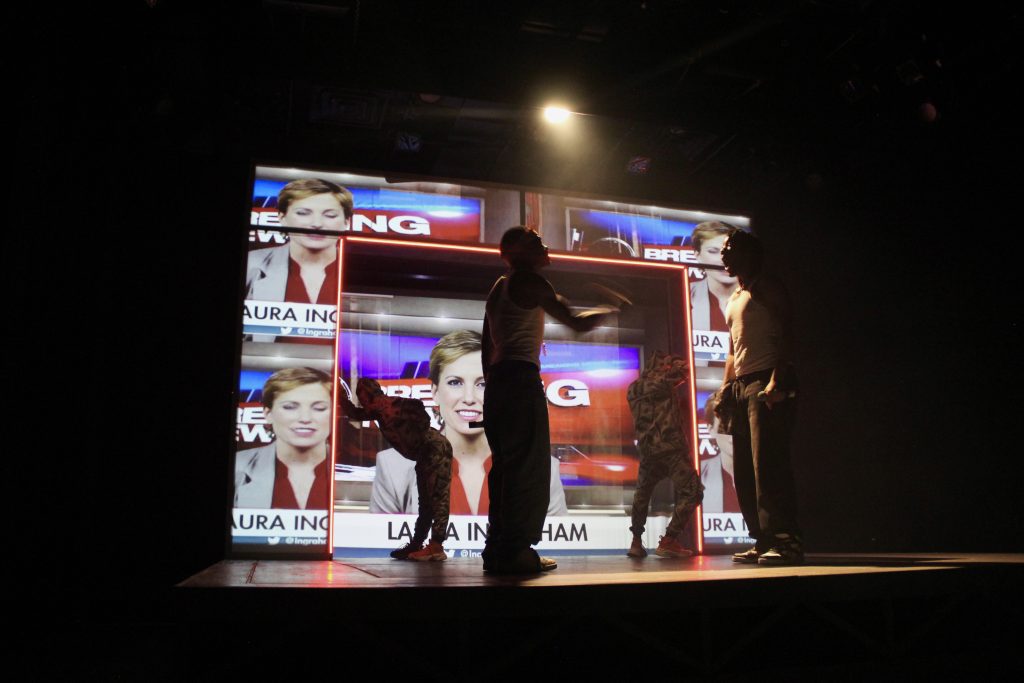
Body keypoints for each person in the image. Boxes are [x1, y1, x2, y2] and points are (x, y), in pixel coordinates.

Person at [481, 226, 621, 575]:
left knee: (506, 470)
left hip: (499, 382)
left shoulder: (499, 289)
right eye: (535, 241)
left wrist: (495, 388)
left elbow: (487, 347)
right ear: (516, 251)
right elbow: (576, 323)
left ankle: (497, 549)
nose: (544, 244)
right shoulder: (530, 281)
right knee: (527, 469)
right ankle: (516, 552)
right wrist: (613, 306)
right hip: (518, 378)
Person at [369, 330, 567, 517]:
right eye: (455, 382)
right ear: (435, 392)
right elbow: (381, 550)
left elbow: (557, 549)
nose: (469, 398)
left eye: (483, 384)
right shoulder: (393, 466)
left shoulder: (542, 469)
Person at [719, 229, 803, 565]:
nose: (723, 255)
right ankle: (762, 538)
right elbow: (731, 349)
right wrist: (726, 389)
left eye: (729, 249)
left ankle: (787, 541)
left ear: (749, 253)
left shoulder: (767, 286)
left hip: (767, 380)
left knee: (768, 465)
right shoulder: (735, 296)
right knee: (743, 468)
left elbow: (788, 331)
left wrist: (776, 380)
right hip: (742, 385)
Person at [340, 378, 454, 561]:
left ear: (369, 396)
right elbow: (354, 413)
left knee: (437, 498)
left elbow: (418, 409)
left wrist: (417, 432)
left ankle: (436, 546)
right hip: (424, 453)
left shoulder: (389, 405)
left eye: (362, 397)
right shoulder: (378, 411)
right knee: (426, 502)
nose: (361, 402)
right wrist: (340, 397)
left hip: (433, 449)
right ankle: (418, 544)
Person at [625, 351, 704, 559]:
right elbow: (685, 370)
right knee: (693, 492)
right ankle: (669, 539)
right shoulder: (662, 382)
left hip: (648, 451)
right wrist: (674, 362)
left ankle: (636, 542)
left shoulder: (633, 389)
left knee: (642, 495)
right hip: (671, 449)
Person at [234, 367, 332, 510]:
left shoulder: (352, 470)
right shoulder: (237, 467)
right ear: (268, 414)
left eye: (319, 408)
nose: (305, 418)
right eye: (289, 407)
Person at [245, 178, 354, 303]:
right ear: (282, 218)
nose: (316, 224)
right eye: (303, 213)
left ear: (346, 222)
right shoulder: (251, 264)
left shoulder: (359, 270)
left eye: (330, 215)